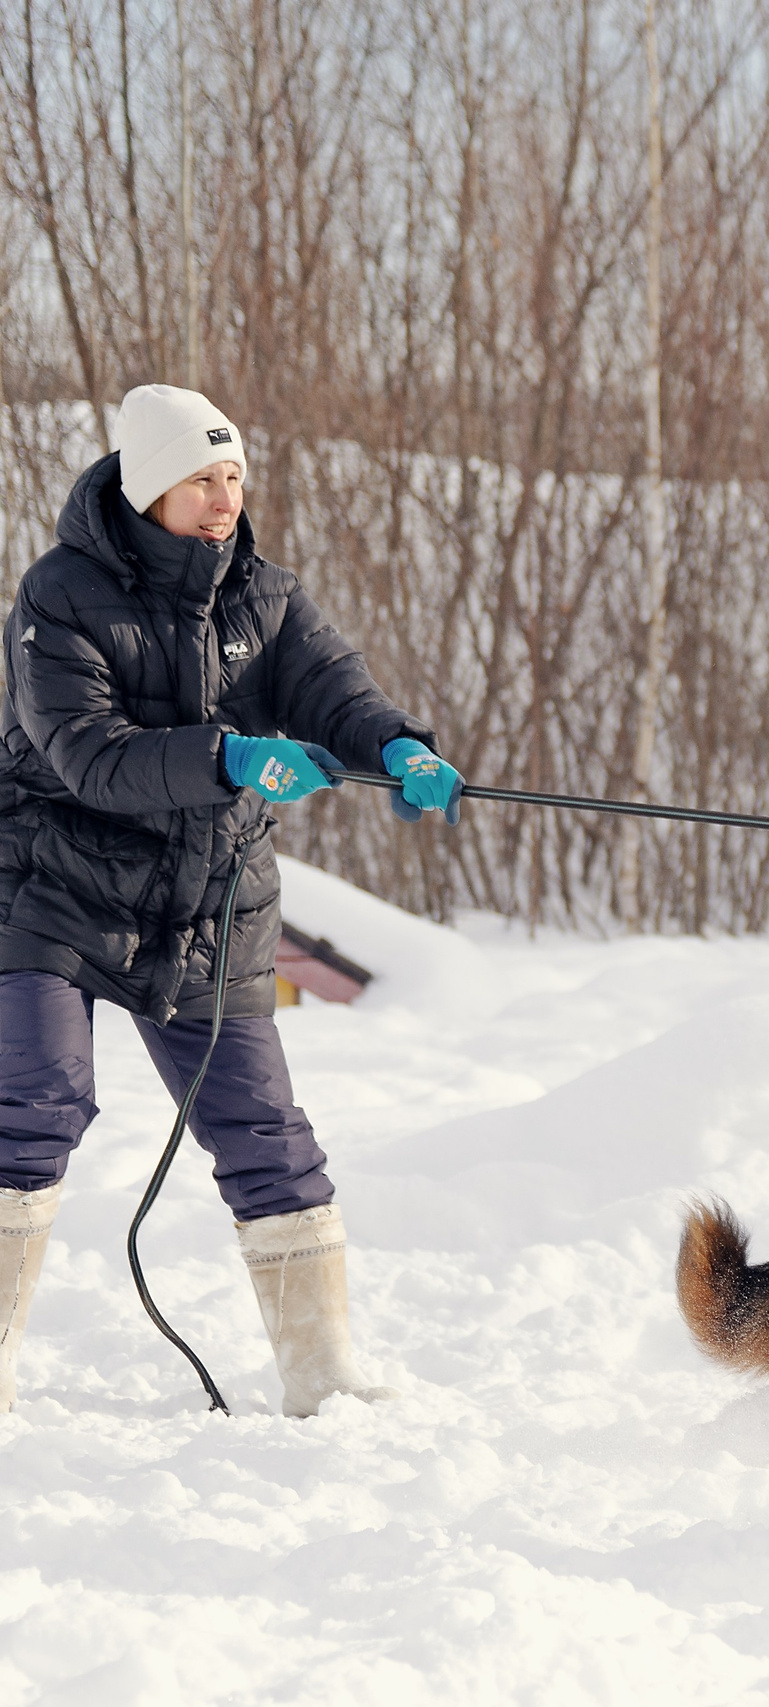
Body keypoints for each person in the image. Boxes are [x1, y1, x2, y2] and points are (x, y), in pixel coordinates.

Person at [0, 384, 463, 1418]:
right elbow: (86, 756)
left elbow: (332, 690)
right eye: (202, 478)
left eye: (235, 475)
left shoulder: (265, 594)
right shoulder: (57, 599)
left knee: (265, 1131)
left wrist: (397, 747)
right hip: (55, 885)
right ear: (147, 486)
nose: (225, 497)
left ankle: (322, 1374)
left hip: (211, 898)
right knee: (35, 1101)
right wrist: (232, 756)